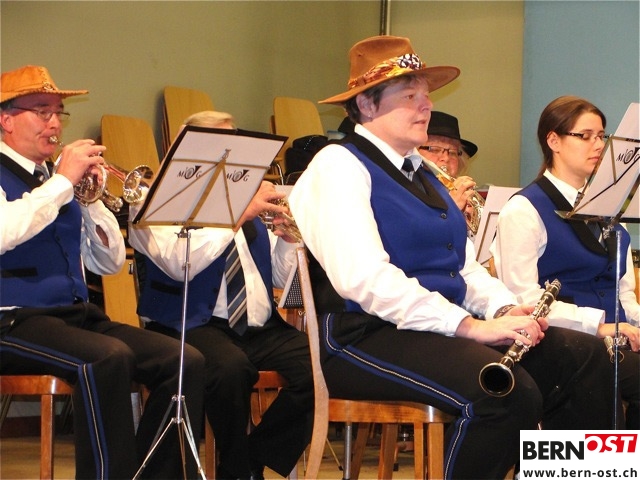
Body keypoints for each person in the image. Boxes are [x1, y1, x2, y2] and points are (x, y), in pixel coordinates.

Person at [288, 35, 620, 479]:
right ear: (366, 105)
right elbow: (364, 279)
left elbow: (464, 269)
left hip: (435, 330)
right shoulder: (338, 165)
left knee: (584, 355)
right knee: (504, 393)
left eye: (426, 95)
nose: (426, 106)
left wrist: (504, 309)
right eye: (410, 96)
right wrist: (468, 326)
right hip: (363, 336)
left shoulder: (424, 173)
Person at [0, 64, 205, 479]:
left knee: (183, 361)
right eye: (42, 112)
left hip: (73, 316)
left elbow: (108, 263)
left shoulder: (56, 181)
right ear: (5, 119)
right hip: (13, 319)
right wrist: (62, 183)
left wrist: (90, 199)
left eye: (58, 113)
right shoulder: (48, 181)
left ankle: (148, 474)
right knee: (107, 358)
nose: (55, 123)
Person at [128, 111, 314, 480]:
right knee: (230, 369)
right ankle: (236, 469)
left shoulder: (243, 202)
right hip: (189, 324)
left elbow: (277, 277)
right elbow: (180, 265)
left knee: (324, 364)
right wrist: (236, 216)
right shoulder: (153, 204)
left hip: (259, 327)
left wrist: (289, 241)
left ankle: (249, 459)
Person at [491, 95, 640, 428]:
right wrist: (596, 326)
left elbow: (624, 294)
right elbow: (522, 300)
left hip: (613, 341)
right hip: (559, 344)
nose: (598, 145)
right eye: (585, 136)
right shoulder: (524, 209)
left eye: (601, 136)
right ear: (554, 141)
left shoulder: (612, 210)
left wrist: (633, 323)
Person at [419, 110, 482, 235]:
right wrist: (452, 210)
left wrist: (470, 224)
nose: (446, 158)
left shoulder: (464, 194)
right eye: (434, 149)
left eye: (453, 152)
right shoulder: (405, 193)